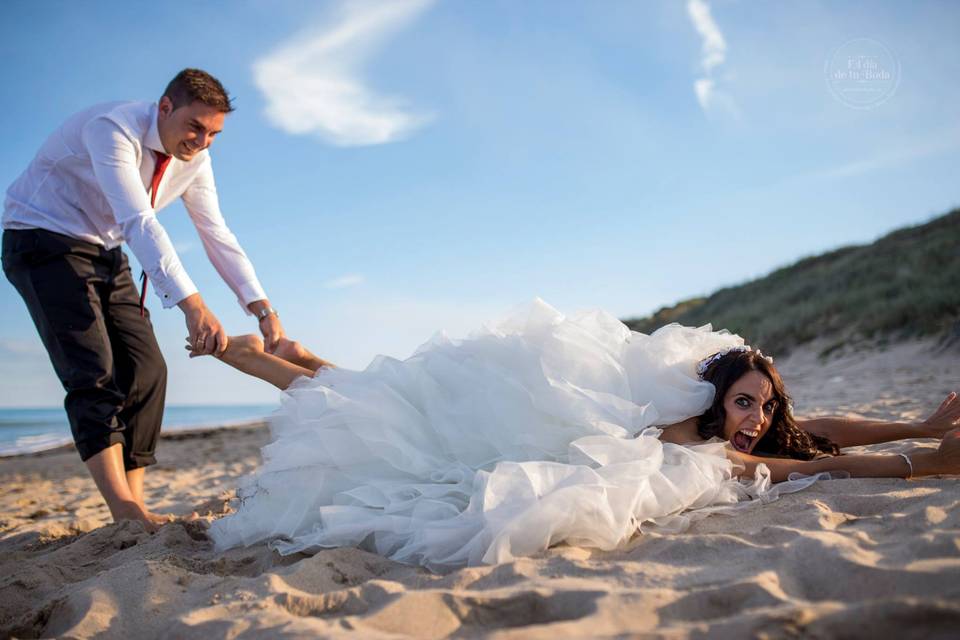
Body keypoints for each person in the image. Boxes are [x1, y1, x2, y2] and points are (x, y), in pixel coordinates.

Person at [196, 300, 959, 571]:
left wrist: (920, 425)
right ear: (716, 400)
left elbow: (816, 431)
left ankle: (294, 358)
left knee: (388, 403)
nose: (758, 420)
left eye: (762, 407)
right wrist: (919, 464)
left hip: (554, 416)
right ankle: (266, 362)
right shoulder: (697, 434)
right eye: (747, 405)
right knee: (387, 421)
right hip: (545, 426)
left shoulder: (739, 420)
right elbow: (805, 469)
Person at [1, 69, 285, 532]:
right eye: (196, 126)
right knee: (94, 372)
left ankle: (136, 504)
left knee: (148, 370)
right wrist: (194, 306)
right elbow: (139, 222)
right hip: (42, 239)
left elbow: (216, 233)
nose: (203, 141)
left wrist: (261, 307)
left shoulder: (196, 159)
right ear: (165, 107)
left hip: (103, 248)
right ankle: (124, 513)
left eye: (214, 133)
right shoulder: (112, 130)